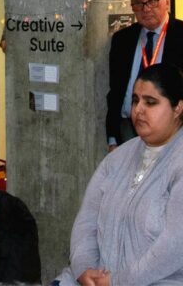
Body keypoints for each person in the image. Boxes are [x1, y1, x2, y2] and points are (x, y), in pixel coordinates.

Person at [53, 63, 183, 285]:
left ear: (178, 108)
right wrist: (84, 268)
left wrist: (118, 280)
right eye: (135, 100)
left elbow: (174, 246)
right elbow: (86, 223)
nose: (138, 110)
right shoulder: (117, 158)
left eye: (150, 102)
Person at [106, 0, 183, 150]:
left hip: (173, 134)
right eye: (138, 3)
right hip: (128, 131)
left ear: (168, 1)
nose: (146, 9)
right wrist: (112, 137)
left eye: (153, 1)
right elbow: (115, 92)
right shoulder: (121, 40)